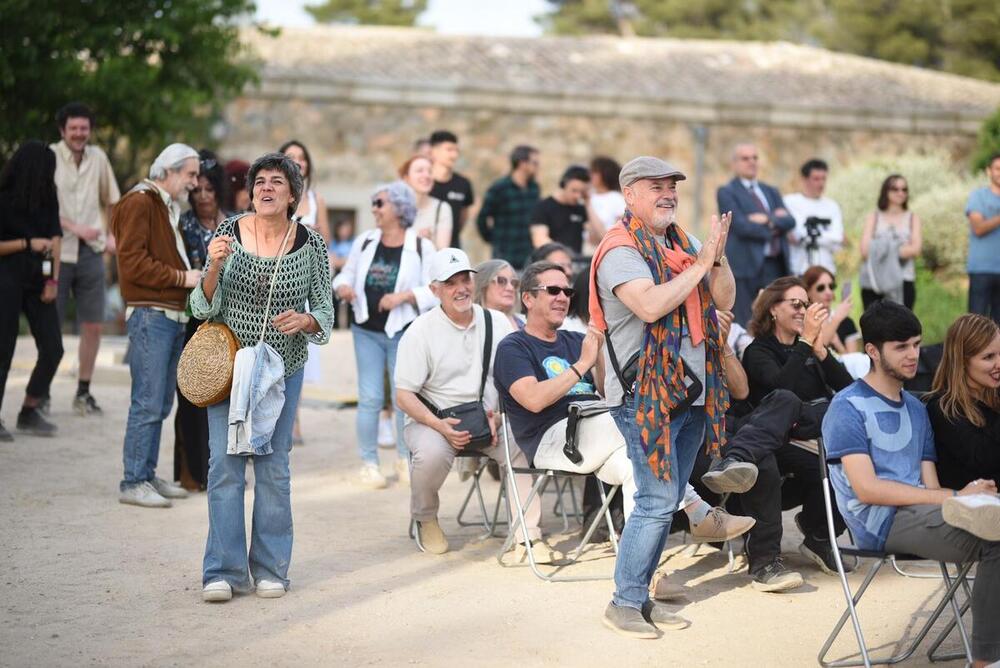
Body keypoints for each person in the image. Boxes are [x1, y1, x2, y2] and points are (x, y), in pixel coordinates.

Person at [591, 156, 735, 637]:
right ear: (629, 193)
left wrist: (717, 258)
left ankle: (642, 599)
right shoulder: (618, 248)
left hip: (691, 391)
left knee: (669, 496)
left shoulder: (684, 242)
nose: (668, 193)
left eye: (672, 185)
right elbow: (651, 304)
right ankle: (624, 602)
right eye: (657, 186)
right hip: (641, 395)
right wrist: (699, 263)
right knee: (655, 499)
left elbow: (726, 298)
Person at [823, 300, 1000, 668]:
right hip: (878, 521)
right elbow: (867, 489)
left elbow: (929, 483)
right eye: (901, 347)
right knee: (997, 539)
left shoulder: (916, 409)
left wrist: (960, 500)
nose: (912, 355)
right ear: (872, 351)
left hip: (922, 514)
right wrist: (953, 496)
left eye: (916, 344)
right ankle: (986, 659)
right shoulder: (847, 406)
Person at [191, 151, 333, 603]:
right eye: (260, 183)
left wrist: (305, 322)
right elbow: (202, 307)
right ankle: (223, 571)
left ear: (293, 194)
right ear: (250, 192)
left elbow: (326, 310)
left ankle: (271, 569)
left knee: (273, 468)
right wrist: (212, 264)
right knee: (224, 467)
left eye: (277, 182)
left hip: (282, 370)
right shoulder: (227, 233)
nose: (266, 189)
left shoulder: (311, 245)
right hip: (228, 366)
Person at [394, 249, 551, 560]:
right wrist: (438, 425)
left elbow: (514, 378)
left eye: (464, 278)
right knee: (431, 453)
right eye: (450, 282)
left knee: (521, 441)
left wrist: (500, 416)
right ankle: (425, 518)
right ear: (434, 290)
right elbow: (404, 395)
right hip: (433, 420)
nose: (460, 288)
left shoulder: (498, 323)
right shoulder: (420, 330)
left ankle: (527, 535)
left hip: (488, 419)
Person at [735, 276, 853, 579]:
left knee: (850, 465)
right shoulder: (758, 351)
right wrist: (804, 344)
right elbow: (781, 390)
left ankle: (819, 536)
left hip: (815, 436)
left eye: (807, 304)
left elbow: (850, 390)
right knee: (827, 467)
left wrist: (821, 351)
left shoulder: (812, 350)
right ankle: (775, 546)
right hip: (773, 441)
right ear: (773, 309)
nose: (803, 310)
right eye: (796, 304)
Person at [111, 143, 202, 508]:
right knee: (148, 403)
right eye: (191, 174)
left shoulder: (163, 206)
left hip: (168, 315)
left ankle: (145, 474)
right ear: (169, 170)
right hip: (152, 315)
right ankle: (133, 480)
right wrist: (184, 278)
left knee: (160, 402)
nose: (195, 183)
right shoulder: (140, 201)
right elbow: (132, 264)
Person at [333, 181, 436, 488]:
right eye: (373, 203)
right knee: (370, 398)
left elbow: (434, 288)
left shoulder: (420, 246)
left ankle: (404, 459)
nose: (374, 209)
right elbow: (346, 274)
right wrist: (343, 287)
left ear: (399, 208)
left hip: (402, 331)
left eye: (380, 203)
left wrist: (403, 297)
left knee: (403, 396)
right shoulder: (365, 240)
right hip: (366, 329)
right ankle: (369, 463)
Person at [51, 102, 121, 416]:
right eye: (73, 128)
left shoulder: (99, 158)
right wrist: (73, 226)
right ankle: (41, 393)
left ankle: (83, 391)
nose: (79, 134)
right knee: (49, 324)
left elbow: (113, 201)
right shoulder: (49, 157)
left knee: (93, 324)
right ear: (62, 130)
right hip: (57, 252)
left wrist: (112, 236)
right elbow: (39, 206)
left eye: (84, 128)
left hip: (91, 254)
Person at [173, 150, 230, 491]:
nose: (204, 195)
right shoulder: (183, 225)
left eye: (209, 189)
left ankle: (222, 471)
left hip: (230, 322)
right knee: (191, 396)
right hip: (194, 318)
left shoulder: (234, 222)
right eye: (198, 190)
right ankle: (190, 472)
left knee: (225, 397)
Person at [0, 141, 64, 441]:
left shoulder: (48, 198)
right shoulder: (4, 198)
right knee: (3, 350)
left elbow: (55, 242)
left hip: (39, 278)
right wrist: (27, 244)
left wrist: (53, 281)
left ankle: (29, 409)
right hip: (7, 276)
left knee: (53, 348)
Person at [717, 143, 795, 325]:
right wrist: (776, 221)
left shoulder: (770, 191)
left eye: (755, 158)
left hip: (775, 265)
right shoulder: (727, 192)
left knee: (777, 319)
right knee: (745, 321)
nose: (751, 162)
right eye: (745, 158)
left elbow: (790, 221)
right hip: (746, 267)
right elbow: (742, 226)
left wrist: (766, 219)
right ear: (734, 164)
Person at [926, 314, 1000, 490]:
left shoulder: (995, 398)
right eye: (989, 357)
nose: (999, 363)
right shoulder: (943, 407)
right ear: (962, 361)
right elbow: (983, 461)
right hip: (971, 509)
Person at [859, 174, 922, 310]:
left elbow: (916, 250)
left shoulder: (912, 218)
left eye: (904, 189)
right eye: (895, 189)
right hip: (875, 281)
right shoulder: (874, 217)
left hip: (904, 279)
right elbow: (864, 251)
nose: (900, 193)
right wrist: (899, 248)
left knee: (902, 328)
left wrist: (879, 247)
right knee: (873, 327)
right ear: (885, 191)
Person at [476, 145, 540, 269]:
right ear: (522, 164)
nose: (538, 167)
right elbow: (482, 218)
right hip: (505, 255)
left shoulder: (534, 188)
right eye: (535, 163)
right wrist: (494, 240)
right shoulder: (499, 188)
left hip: (528, 255)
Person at [784, 158, 844, 276]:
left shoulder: (832, 206)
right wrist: (826, 236)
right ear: (804, 179)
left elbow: (838, 238)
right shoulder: (790, 202)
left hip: (826, 270)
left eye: (824, 179)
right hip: (799, 270)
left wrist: (808, 236)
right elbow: (796, 235)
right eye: (816, 179)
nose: (821, 183)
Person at [530, 165, 603, 255]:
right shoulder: (543, 206)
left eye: (582, 192)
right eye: (574, 190)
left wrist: (588, 204)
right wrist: (564, 253)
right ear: (563, 184)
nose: (578, 196)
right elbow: (539, 239)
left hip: (574, 263)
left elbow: (597, 238)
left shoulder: (580, 209)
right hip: (550, 263)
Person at [966, 153, 1000, 323]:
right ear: (989, 171)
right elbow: (978, 228)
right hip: (982, 270)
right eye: (997, 168)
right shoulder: (978, 196)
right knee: (976, 323)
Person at [428, 130, 474, 249]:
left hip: (452, 247)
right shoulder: (423, 182)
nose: (454, 155)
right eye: (449, 150)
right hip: (424, 245)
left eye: (456, 151)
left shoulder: (463, 184)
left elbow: (464, 215)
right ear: (433, 151)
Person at [280, 140, 330, 244]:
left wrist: (315, 235)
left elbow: (327, 242)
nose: (298, 162)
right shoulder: (273, 197)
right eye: (291, 157)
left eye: (302, 158)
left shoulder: (317, 200)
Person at [803, 265, 860, 355]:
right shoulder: (803, 321)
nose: (828, 292)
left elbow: (853, 362)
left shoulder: (846, 322)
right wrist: (836, 319)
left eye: (831, 286)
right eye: (821, 288)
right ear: (808, 292)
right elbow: (816, 352)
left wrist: (838, 345)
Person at [399, 154, 453, 250]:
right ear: (406, 178)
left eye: (430, 171)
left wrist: (428, 243)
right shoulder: (394, 208)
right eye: (419, 171)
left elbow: (442, 252)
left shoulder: (442, 209)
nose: (426, 175)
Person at [473, 259, 523, 330]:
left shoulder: (527, 322)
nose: (511, 288)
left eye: (514, 283)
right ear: (483, 285)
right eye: (501, 281)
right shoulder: (472, 325)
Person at [329, 217, 355, 329]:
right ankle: (335, 326)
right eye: (342, 229)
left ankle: (350, 325)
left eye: (347, 229)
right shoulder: (333, 243)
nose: (344, 232)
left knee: (350, 300)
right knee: (334, 300)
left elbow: (352, 260)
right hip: (337, 272)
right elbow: (334, 260)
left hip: (351, 274)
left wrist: (343, 261)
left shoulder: (354, 242)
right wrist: (344, 260)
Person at [589, 156, 625, 231]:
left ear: (605, 174)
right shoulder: (587, 195)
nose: (590, 175)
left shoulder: (616, 199)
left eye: (595, 172)